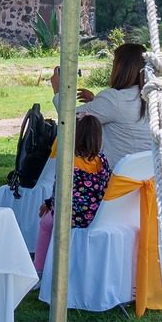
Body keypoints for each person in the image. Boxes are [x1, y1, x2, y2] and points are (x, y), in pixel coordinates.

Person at [52, 42, 155, 163]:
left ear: (120, 68)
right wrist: (95, 102)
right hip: (149, 174)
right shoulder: (154, 96)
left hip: (116, 176)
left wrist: (58, 90)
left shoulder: (114, 99)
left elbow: (69, 119)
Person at [34, 114, 108, 276]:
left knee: (45, 224)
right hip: (95, 215)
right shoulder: (102, 160)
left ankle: (39, 269)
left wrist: (48, 204)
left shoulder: (68, 161)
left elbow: (58, 192)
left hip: (70, 215)